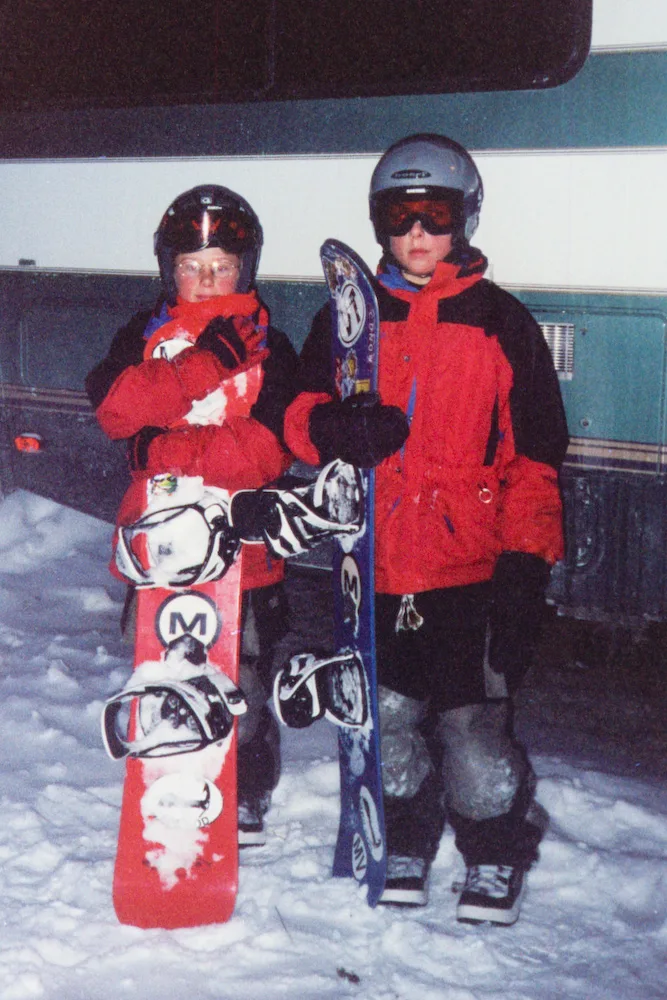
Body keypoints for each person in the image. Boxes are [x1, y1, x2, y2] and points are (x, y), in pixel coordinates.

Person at [283, 134, 569, 924]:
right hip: (374, 565)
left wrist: (523, 566)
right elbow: (297, 415)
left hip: (467, 569)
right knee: (388, 717)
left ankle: (494, 850)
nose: (416, 233)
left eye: (434, 215)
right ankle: (405, 837)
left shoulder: (499, 323)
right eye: (399, 216)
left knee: (472, 729)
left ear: (464, 218)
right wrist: (332, 428)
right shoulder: (349, 319)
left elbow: (534, 460)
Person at [86, 184, 300, 846]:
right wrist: (206, 365)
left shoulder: (269, 345)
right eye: (191, 266)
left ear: (245, 269)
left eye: (221, 267)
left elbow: (264, 452)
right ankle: (172, 776)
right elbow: (115, 410)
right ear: (168, 269)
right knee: (164, 664)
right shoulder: (143, 334)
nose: (206, 281)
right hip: (157, 544)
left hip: (242, 544)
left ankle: (246, 787)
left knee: (244, 672)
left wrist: (161, 449)